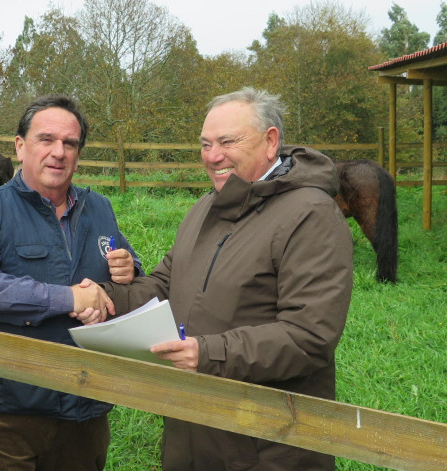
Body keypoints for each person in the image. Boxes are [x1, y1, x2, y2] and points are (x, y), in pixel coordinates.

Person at [96, 87, 353, 470]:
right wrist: (104, 298)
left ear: (270, 142)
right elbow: (165, 286)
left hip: (266, 445)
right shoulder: (205, 208)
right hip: (192, 428)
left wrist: (208, 353)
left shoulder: (310, 214)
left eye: (227, 141)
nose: (213, 156)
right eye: (205, 144)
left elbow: (309, 336)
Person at [0, 94, 143, 470]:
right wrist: (67, 298)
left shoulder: (98, 208)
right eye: (46, 139)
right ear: (20, 147)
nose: (58, 152)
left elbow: (127, 266)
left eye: (69, 143)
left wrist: (130, 267)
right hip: (6, 415)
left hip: (86, 407)